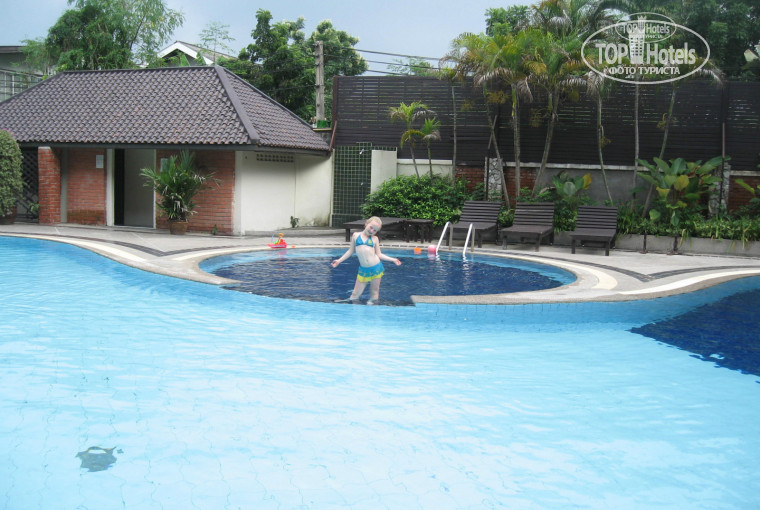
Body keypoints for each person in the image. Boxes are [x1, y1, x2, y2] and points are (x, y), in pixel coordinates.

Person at [331, 216, 401, 305]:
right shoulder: (356, 236)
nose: (372, 231)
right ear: (366, 223)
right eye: (371, 227)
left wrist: (393, 259)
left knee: (374, 292)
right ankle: (354, 311)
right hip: (363, 270)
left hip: (376, 268)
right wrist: (339, 261)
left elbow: (379, 254)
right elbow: (350, 251)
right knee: (355, 294)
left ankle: (373, 309)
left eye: (375, 230)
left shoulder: (375, 239)